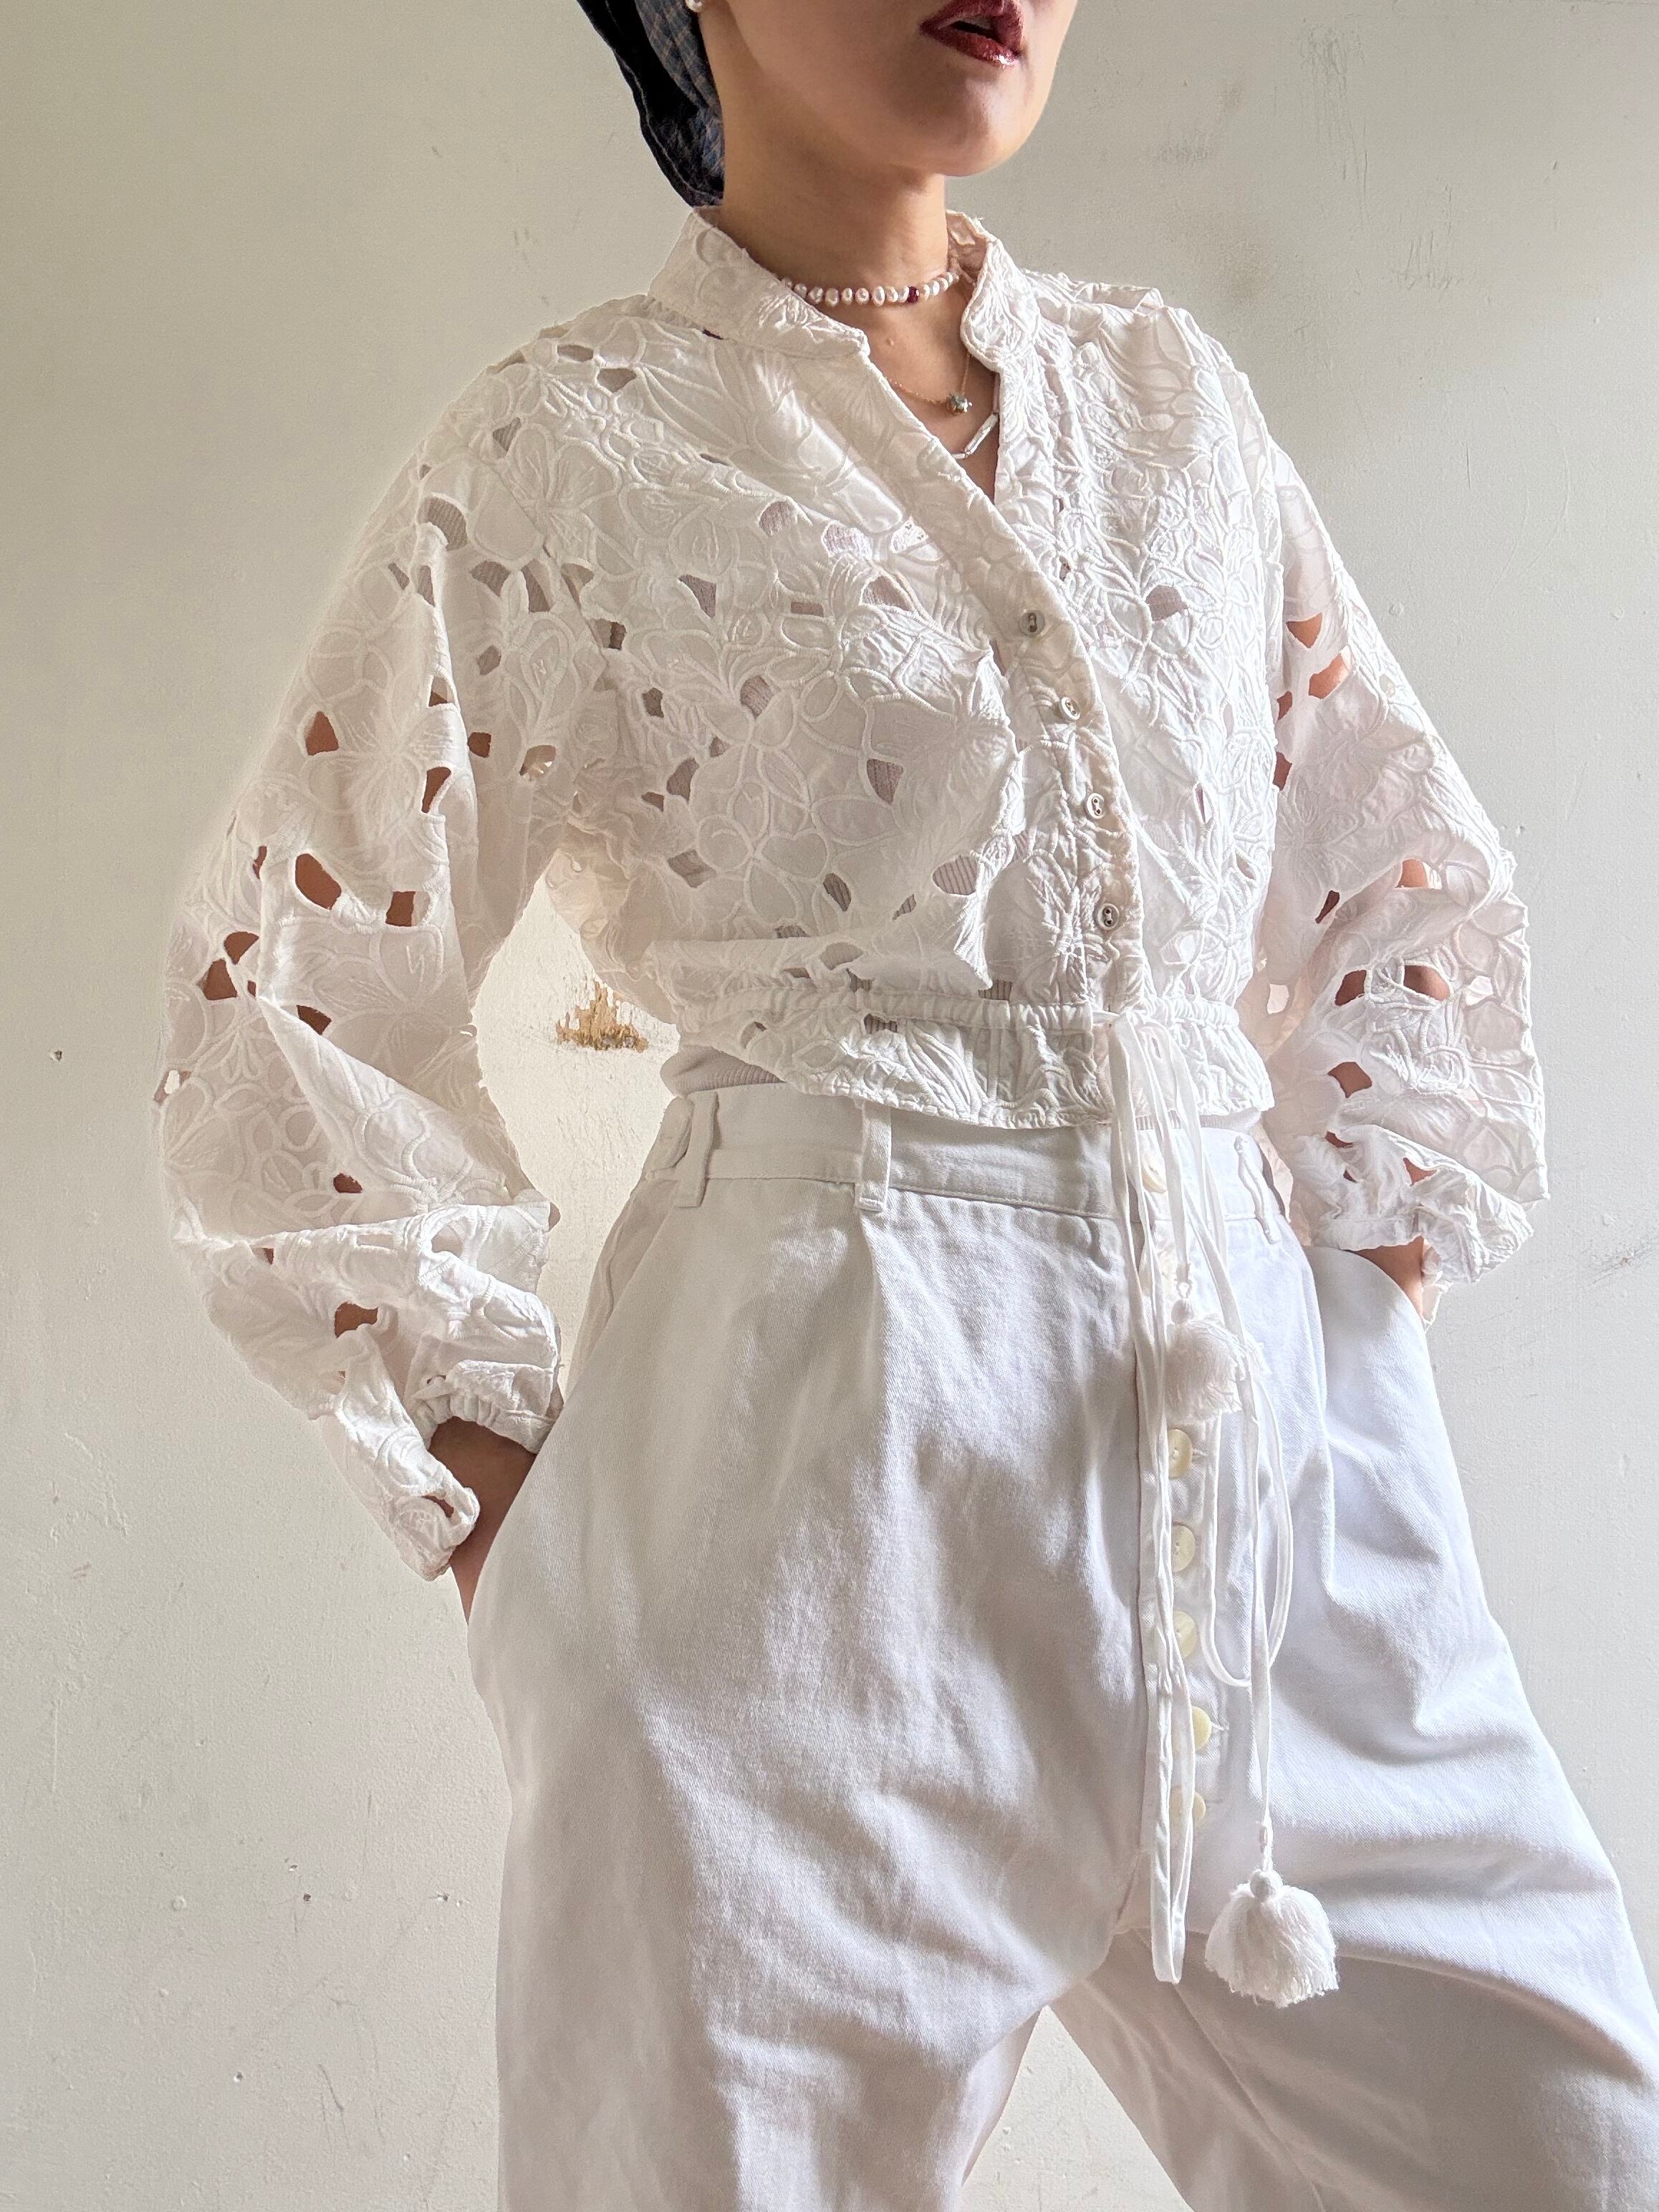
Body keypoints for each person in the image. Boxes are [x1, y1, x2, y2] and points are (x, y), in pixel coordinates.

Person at [151, 0, 1659, 2204]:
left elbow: (1396, 875)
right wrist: (514, 1530)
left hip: (1271, 1509)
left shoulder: (1163, 401)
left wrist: (1346, 1332)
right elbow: (292, 989)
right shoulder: (575, 446)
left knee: (1566, 2149)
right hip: (793, 1525)